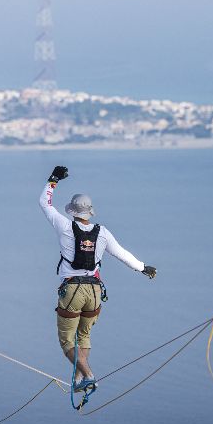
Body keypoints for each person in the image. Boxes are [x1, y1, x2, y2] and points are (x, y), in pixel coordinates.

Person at [39, 165, 156, 394]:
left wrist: (53, 180)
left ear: (72, 211)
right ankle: (81, 378)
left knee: (67, 342)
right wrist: (143, 268)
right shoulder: (102, 232)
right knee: (83, 335)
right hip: (94, 292)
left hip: (72, 289)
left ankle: (89, 375)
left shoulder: (64, 226)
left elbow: (45, 203)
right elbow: (122, 254)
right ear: (89, 212)